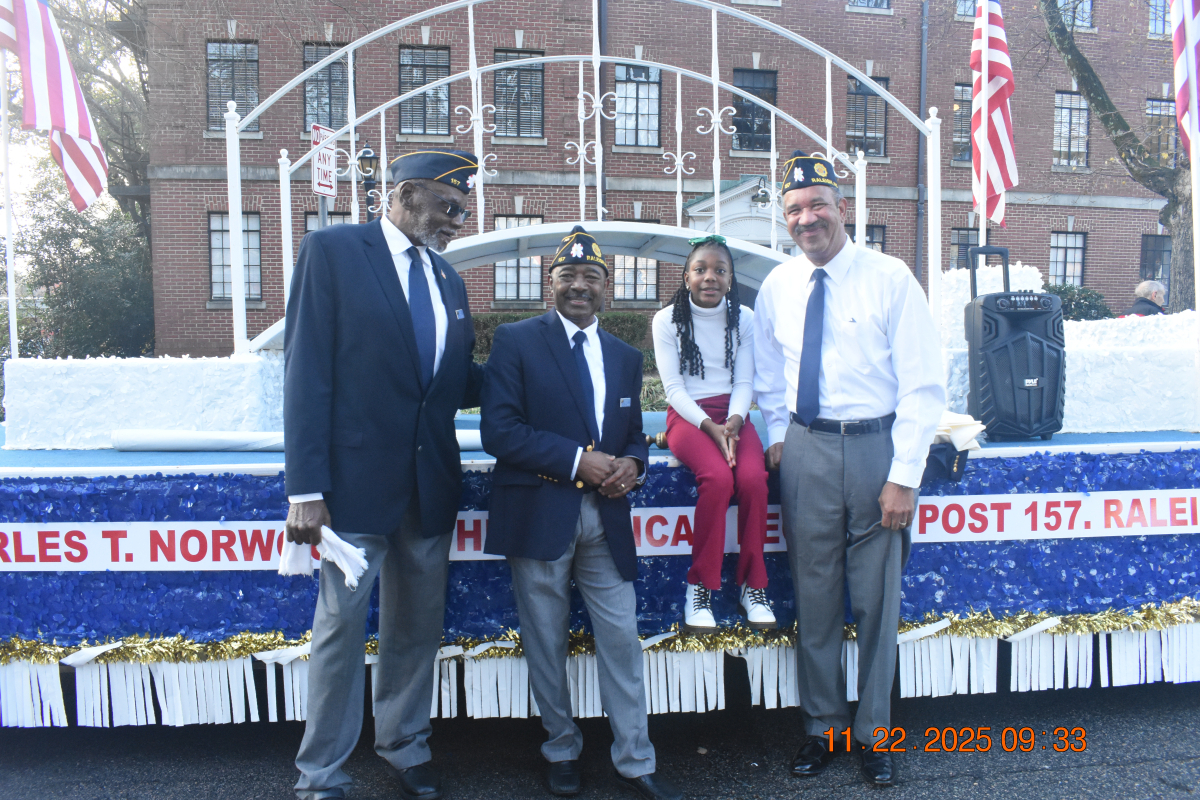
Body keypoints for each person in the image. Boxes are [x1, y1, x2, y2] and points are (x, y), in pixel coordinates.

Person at [284, 149, 485, 800]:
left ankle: (405, 745)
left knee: (415, 629)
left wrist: (537, 370)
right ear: (404, 194)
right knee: (340, 630)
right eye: (449, 206)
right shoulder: (334, 252)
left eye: (463, 211)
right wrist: (305, 489)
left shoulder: (448, 279)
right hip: (351, 490)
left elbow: (453, 383)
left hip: (429, 488)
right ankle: (321, 772)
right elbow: (306, 371)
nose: (457, 220)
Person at [753, 151, 945, 788]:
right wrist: (778, 435)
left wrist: (904, 475)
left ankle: (875, 734)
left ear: (842, 208)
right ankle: (824, 728)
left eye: (817, 205)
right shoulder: (779, 285)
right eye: (794, 210)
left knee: (876, 603)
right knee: (814, 598)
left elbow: (923, 385)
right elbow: (769, 373)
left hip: (874, 451)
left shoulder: (890, 278)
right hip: (806, 449)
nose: (807, 219)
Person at [481, 226, 683, 800]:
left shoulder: (625, 356)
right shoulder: (516, 340)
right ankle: (561, 748)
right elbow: (500, 430)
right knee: (545, 639)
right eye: (567, 275)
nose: (579, 285)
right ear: (551, 284)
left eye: (590, 276)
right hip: (539, 510)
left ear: (606, 288)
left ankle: (635, 759)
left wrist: (634, 464)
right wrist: (577, 461)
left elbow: (633, 435)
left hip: (606, 517)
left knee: (621, 638)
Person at [651, 234, 774, 632]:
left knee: (753, 479)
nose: (710, 277)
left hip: (733, 414)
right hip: (689, 418)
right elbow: (674, 389)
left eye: (720, 270)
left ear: (731, 278)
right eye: (700, 269)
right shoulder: (666, 320)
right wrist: (709, 426)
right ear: (686, 276)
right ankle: (700, 586)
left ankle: (753, 585)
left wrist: (734, 421)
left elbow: (744, 381)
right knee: (719, 480)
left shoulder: (745, 318)